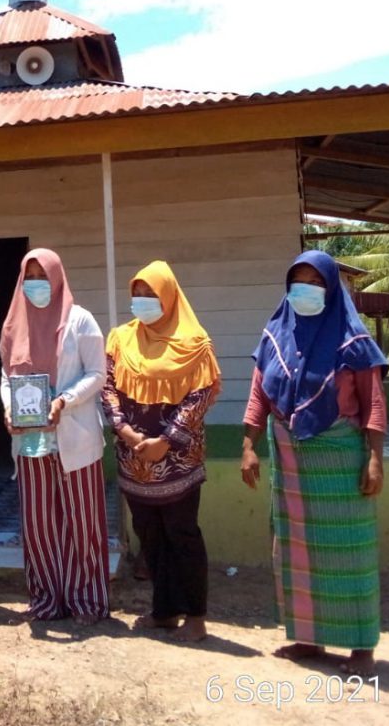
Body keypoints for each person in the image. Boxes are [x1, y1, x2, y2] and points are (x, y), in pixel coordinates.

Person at [242, 249, 388, 676]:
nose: (304, 291)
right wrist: (249, 445)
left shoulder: (354, 343)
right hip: (289, 458)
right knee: (296, 551)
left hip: (341, 457)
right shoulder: (274, 336)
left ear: (332, 288)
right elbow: (259, 397)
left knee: (349, 552)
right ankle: (306, 637)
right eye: (297, 282)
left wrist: (375, 459)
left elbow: (374, 404)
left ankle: (361, 646)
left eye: (315, 282)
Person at [102, 260, 220, 642]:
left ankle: (196, 616)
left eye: (150, 295)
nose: (142, 301)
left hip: (177, 462)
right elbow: (107, 387)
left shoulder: (195, 343)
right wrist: (126, 432)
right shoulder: (120, 338)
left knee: (182, 534)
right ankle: (164, 611)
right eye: (136, 295)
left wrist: (166, 440)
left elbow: (201, 396)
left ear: (168, 297)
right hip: (133, 458)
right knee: (148, 534)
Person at [0, 249, 109, 625]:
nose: (36, 284)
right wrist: (9, 407)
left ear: (58, 277)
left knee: (83, 521)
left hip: (74, 438)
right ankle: (46, 598)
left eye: (42, 276)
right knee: (39, 524)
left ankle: (87, 601)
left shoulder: (80, 321)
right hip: (30, 442)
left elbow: (98, 374)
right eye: (29, 276)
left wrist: (64, 400)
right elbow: (5, 377)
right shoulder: (14, 324)